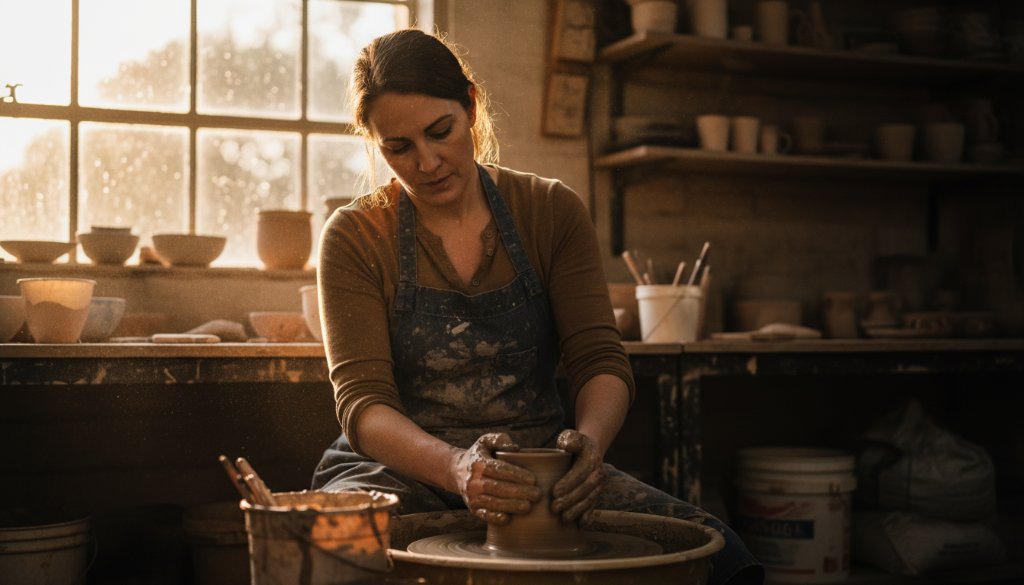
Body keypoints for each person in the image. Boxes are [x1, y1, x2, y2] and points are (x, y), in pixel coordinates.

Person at [311, 28, 763, 585]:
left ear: (471, 108)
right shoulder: (355, 235)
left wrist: (588, 450)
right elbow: (363, 408)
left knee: (723, 559)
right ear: (375, 143)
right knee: (332, 553)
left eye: (440, 132)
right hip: (399, 470)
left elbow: (600, 360)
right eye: (398, 148)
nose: (427, 162)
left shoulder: (549, 209)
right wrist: (457, 467)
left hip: (540, 470)